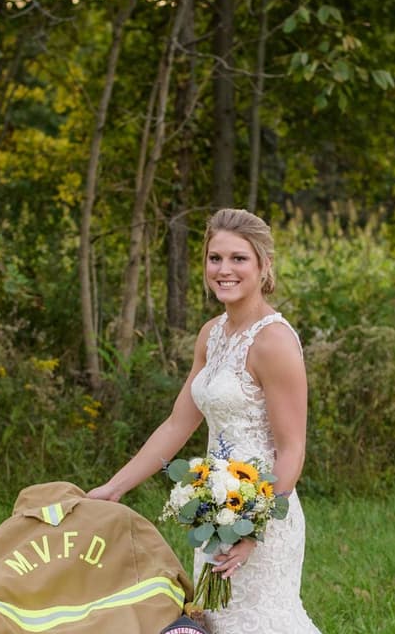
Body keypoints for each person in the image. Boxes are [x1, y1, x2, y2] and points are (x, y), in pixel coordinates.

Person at [88, 208, 321, 634]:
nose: (224, 270)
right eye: (215, 258)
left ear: (264, 265)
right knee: (215, 621)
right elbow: (177, 425)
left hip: (263, 517)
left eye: (238, 258)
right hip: (212, 511)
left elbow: (292, 450)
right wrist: (115, 487)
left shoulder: (274, 341)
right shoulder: (212, 334)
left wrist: (253, 531)